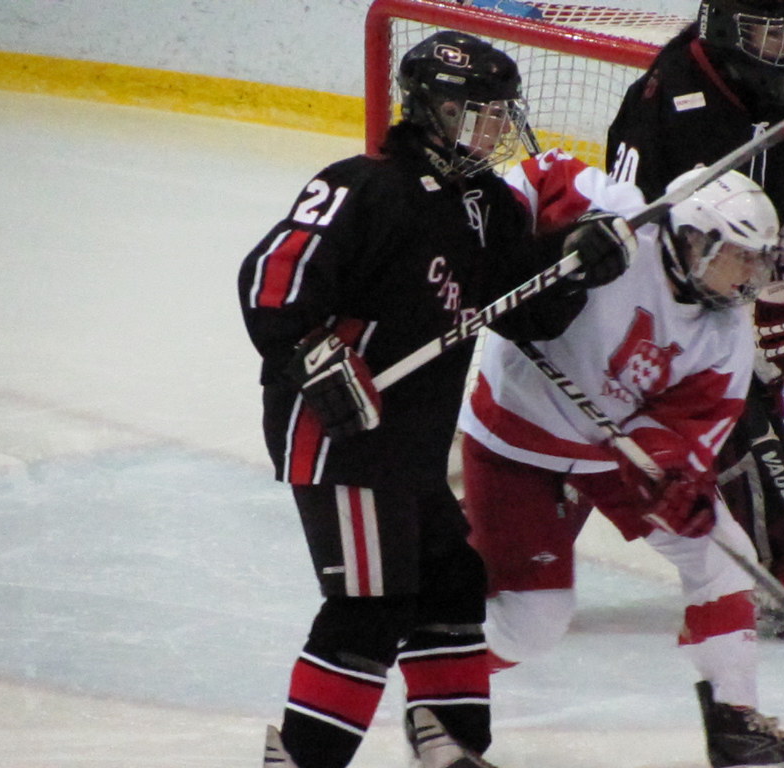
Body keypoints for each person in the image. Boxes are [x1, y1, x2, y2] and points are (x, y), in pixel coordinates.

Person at [237, 30, 632, 768]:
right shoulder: (365, 185)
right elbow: (273, 276)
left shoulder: (487, 206)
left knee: (452, 583)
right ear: (429, 110)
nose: (490, 130)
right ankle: (301, 759)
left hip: (410, 440)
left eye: (497, 114)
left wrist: (579, 260)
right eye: (473, 113)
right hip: (340, 433)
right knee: (371, 606)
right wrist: (313, 357)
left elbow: (528, 310)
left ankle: (453, 750)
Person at [459, 154, 784, 768]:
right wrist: (509, 254)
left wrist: (674, 475)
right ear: (693, 237)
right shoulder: (616, 219)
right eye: (740, 255)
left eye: (758, 261)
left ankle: (735, 724)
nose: (750, 276)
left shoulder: (726, 329)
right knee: (534, 623)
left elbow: (693, 425)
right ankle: (437, 676)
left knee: (721, 554)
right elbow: (530, 181)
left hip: (614, 448)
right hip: (520, 439)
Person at [606, 0, 784, 598]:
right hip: (671, 309)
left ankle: (774, 549)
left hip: (748, 288)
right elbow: (629, 219)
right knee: (615, 438)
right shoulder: (666, 92)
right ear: (727, 26)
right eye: (766, 32)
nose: (782, 48)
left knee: (746, 415)